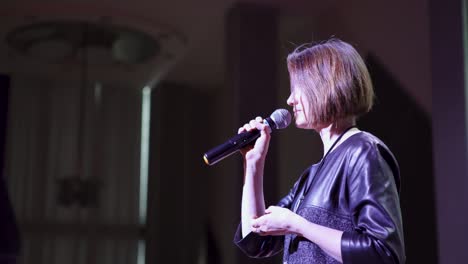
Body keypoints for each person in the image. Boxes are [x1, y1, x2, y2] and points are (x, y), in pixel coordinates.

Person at [233, 39, 405, 263]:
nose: (290, 99)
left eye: (297, 89)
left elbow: (382, 252)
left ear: (326, 86)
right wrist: (253, 165)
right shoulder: (310, 176)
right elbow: (256, 239)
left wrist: (299, 226)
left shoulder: (363, 151)